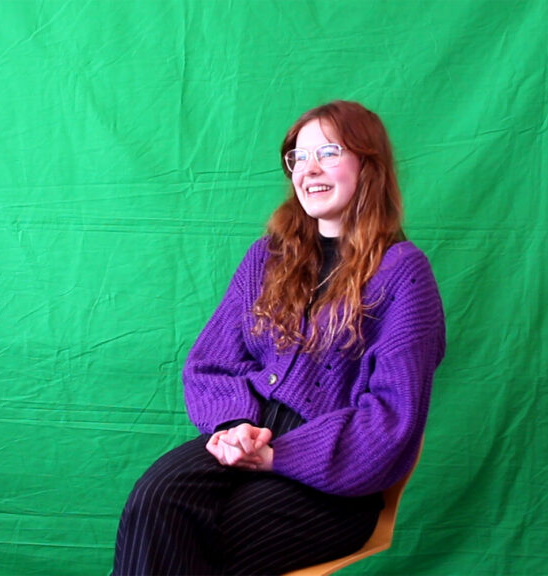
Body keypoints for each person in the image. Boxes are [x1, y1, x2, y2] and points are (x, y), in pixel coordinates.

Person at [113, 100, 446, 575]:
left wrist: (280, 456)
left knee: (211, 540)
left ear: (368, 164)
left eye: (329, 152)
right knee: (154, 501)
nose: (309, 169)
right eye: (298, 157)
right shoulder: (268, 257)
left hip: (336, 477)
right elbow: (211, 362)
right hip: (248, 433)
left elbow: (392, 418)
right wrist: (234, 426)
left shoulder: (403, 273)